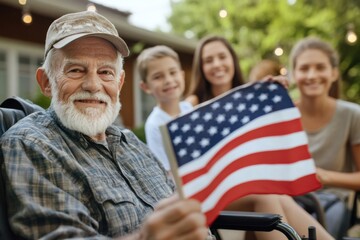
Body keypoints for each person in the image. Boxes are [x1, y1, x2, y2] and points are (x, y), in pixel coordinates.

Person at [0, 11, 209, 240]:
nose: (93, 85)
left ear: (119, 83)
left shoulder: (132, 143)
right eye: (76, 70)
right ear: (46, 82)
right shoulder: (32, 145)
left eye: (105, 72)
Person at [185, 35, 334, 240]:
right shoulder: (191, 105)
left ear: (233, 61)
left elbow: (272, 146)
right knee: (266, 195)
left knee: (276, 195)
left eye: (222, 57)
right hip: (214, 194)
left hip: (249, 186)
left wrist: (273, 93)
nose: (217, 64)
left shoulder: (251, 99)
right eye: (209, 60)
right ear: (201, 67)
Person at [289, 36, 360, 237]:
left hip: (332, 201)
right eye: (304, 69)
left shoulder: (352, 115)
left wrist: (325, 176)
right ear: (294, 74)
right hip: (290, 199)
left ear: (334, 73)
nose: (312, 75)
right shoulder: (283, 115)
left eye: (320, 67)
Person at [137, 45, 192, 174]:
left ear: (182, 75)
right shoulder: (154, 125)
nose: (168, 80)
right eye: (158, 77)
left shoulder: (188, 108)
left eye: (173, 72)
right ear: (145, 87)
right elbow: (167, 172)